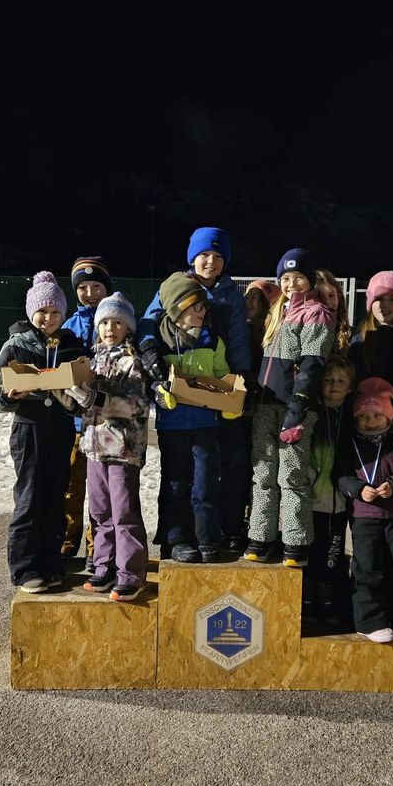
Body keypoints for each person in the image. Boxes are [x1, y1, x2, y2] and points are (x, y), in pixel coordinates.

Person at [139, 227, 252, 553]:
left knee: (217, 467)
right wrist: (149, 352)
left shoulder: (230, 294)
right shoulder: (173, 288)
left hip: (216, 388)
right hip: (176, 396)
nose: (211, 262)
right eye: (204, 255)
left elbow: (239, 338)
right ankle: (174, 537)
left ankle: (218, 531)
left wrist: (241, 376)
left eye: (218, 257)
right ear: (193, 257)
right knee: (177, 472)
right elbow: (149, 323)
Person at [245, 248, 335, 567]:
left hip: (293, 410)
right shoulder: (277, 312)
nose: (291, 284)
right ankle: (260, 536)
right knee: (263, 474)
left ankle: (295, 542)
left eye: (298, 278)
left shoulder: (315, 312)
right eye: (285, 278)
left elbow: (312, 364)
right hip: (266, 407)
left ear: (309, 280)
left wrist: (298, 408)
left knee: (292, 475)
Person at [0, 272, 79, 593]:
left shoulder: (71, 344)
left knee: (56, 497)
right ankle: (25, 568)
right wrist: (9, 394)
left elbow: (82, 386)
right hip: (29, 430)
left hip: (61, 429)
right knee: (30, 498)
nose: (48, 318)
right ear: (32, 312)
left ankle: (51, 562)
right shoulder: (17, 345)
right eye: (42, 311)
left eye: (55, 312)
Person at [67, 292, 150, 602]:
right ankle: (104, 567)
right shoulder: (91, 361)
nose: (110, 328)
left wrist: (94, 399)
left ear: (127, 328)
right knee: (100, 512)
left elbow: (136, 404)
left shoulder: (132, 362)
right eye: (104, 322)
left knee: (124, 512)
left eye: (117, 322)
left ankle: (131, 573)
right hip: (94, 449)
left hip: (123, 451)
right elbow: (85, 403)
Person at [149, 272, 232, 563]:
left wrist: (231, 397)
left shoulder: (212, 341)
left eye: (203, 307)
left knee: (206, 482)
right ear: (178, 309)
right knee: (174, 482)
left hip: (205, 425)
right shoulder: (161, 343)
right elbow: (151, 381)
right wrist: (158, 391)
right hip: (172, 427)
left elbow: (223, 376)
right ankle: (175, 540)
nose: (202, 311)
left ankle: (207, 538)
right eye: (196, 306)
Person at [337, 377, 393, 642]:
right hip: (365, 517)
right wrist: (358, 488)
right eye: (364, 415)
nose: (370, 421)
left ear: (388, 416)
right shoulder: (349, 443)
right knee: (368, 568)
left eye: (377, 415)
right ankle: (368, 621)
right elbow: (340, 476)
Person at [60, 256, 114, 571]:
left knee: (100, 490)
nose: (90, 292)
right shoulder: (68, 326)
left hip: (104, 423)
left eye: (96, 286)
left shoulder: (115, 323)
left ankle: (97, 547)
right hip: (75, 423)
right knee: (71, 485)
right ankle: (68, 542)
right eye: (83, 287)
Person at [306, 355, 355, 621]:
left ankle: (327, 599)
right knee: (310, 549)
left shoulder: (352, 415)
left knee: (333, 551)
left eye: (340, 381)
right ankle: (307, 597)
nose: (334, 385)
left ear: (349, 386)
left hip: (339, 500)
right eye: (328, 380)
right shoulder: (311, 413)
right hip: (312, 496)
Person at [348, 270, 393, 424]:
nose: (385, 305)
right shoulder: (359, 339)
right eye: (379, 299)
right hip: (366, 418)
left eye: (392, 299)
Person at [315, 270, 352, 354]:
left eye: (331, 295)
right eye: (320, 297)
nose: (327, 303)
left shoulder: (351, 336)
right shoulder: (301, 332)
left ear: (339, 297)